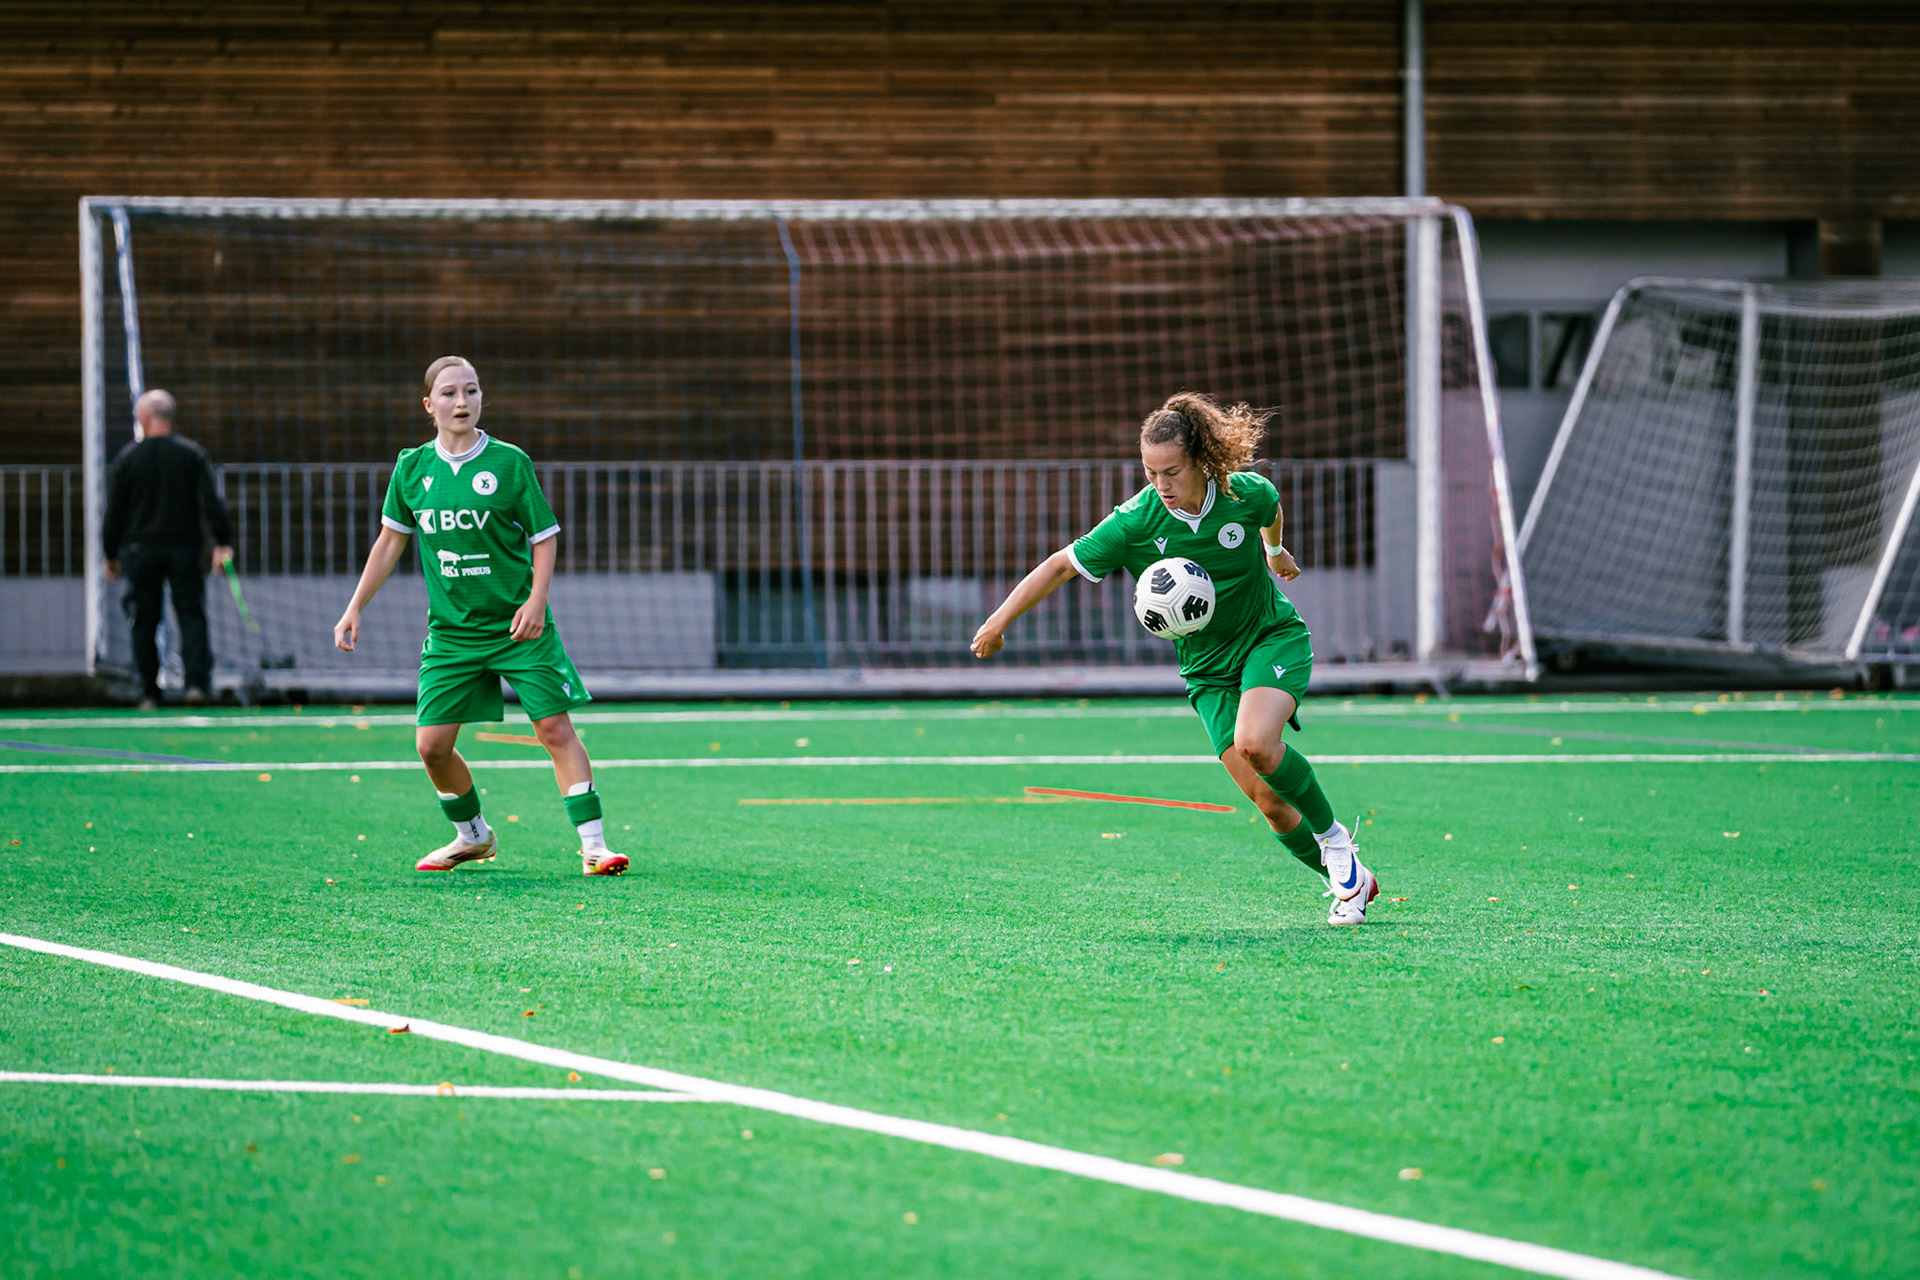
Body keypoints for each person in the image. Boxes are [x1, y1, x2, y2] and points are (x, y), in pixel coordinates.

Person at [970, 392, 1377, 925]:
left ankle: (1335, 840)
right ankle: (1350, 883)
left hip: (1269, 638)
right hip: (1207, 671)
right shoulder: (1135, 522)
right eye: (1149, 472)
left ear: (1202, 462)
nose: (1160, 484)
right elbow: (1061, 566)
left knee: (1257, 744)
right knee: (1270, 803)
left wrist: (1274, 550)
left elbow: (1270, 510)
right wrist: (999, 622)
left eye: (1172, 471)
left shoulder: (1244, 494)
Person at [332, 356, 628, 877]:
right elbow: (389, 543)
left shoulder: (510, 463)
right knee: (431, 745)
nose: (462, 402)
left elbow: (545, 538)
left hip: (518, 626)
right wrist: (355, 606)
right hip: (452, 633)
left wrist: (536, 602)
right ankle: (473, 837)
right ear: (429, 405)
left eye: (471, 391)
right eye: (448, 393)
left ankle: (595, 847)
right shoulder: (411, 468)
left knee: (555, 728)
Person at [102, 389, 235, 709]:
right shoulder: (191, 454)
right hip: (184, 548)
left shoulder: (128, 458)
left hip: (140, 551)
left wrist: (110, 553)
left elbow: (115, 511)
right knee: (191, 615)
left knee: (143, 619)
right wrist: (222, 541)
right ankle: (196, 686)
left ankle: (149, 691)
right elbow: (211, 502)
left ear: (144, 419)